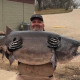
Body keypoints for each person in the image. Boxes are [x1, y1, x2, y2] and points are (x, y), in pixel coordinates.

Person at [5, 14, 61, 80]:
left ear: (43, 25)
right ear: (30, 25)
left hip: (45, 78)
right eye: (34, 22)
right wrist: (9, 49)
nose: (36, 24)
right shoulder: (20, 37)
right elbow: (7, 55)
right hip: (23, 77)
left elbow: (62, 58)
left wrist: (58, 48)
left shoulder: (52, 39)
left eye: (39, 22)